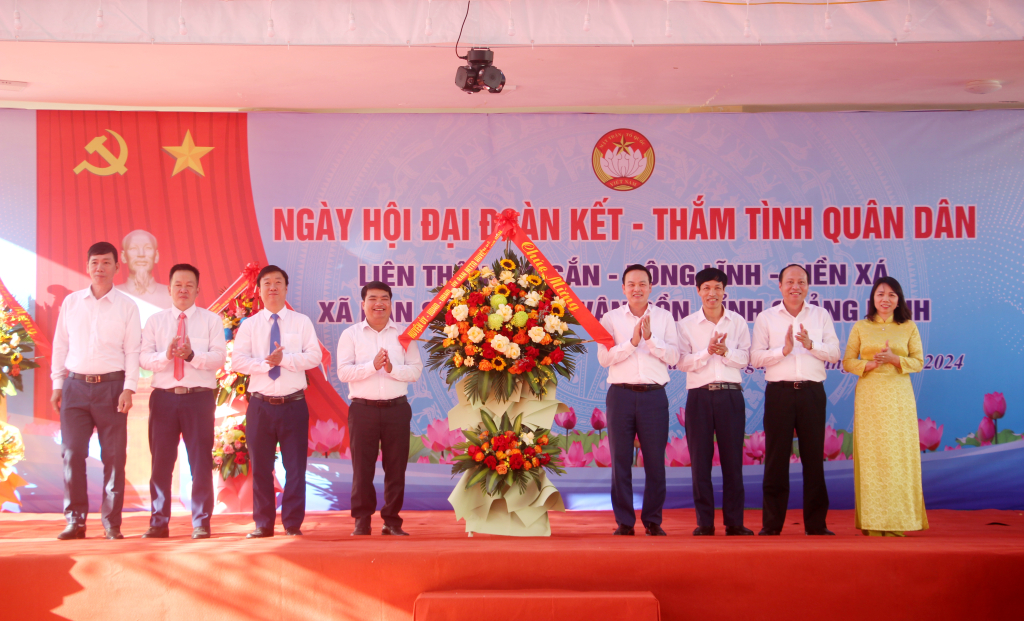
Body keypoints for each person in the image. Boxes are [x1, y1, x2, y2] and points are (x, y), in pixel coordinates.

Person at [50, 241, 142, 540]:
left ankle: (111, 523)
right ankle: (75, 520)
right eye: (94, 263)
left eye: (106, 263)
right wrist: (57, 383)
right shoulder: (72, 303)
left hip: (112, 389)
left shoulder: (127, 306)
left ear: (117, 266)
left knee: (114, 458)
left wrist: (129, 388)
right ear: (87, 266)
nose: (99, 268)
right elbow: (60, 345)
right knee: (72, 452)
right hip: (75, 387)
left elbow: (132, 351)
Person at [231, 266, 322, 538]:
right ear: (259, 290)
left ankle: (292, 524)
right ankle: (263, 524)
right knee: (261, 467)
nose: (272, 287)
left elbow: (314, 357)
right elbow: (238, 361)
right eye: (267, 283)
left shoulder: (301, 322)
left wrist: (286, 360)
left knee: (295, 468)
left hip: (293, 404)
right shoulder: (250, 325)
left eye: (278, 282)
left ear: (285, 287)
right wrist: (264, 364)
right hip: (260, 405)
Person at [751, 264, 840, 536]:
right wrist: (783, 351)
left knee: (814, 458)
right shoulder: (766, 318)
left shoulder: (821, 315)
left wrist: (812, 346)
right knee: (776, 458)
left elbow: (835, 354)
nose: (795, 287)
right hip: (779, 393)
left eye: (801, 282)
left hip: (812, 392)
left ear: (808, 286)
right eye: (789, 282)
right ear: (779, 286)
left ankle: (816, 524)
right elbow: (755, 358)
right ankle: (772, 524)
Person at [138, 264, 226, 539]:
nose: (184, 290)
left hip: (198, 399)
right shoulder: (155, 321)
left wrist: (191, 355)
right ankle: (158, 522)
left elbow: (218, 359)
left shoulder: (211, 320)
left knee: (200, 463)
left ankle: (201, 522)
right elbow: (143, 359)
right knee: (161, 463)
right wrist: (166, 356)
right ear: (169, 289)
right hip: (163, 399)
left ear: (198, 289)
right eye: (178, 284)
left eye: (189, 285)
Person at [597, 264, 680, 536]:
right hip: (620, 396)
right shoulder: (610, 319)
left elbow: (674, 357)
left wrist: (650, 339)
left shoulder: (665, 318)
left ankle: (653, 520)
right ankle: (624, 521)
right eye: (631, 284)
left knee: (655, 461)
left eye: (642, 284)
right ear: (623, 288)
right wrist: (632, 343)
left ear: (650, 287)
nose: (637, 289)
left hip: (654, 397)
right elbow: (604, 359)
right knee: (620, 460)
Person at [337, 281, 423, 536]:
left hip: (397, 409)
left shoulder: (404, 335)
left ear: (391, 303)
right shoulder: (350, 334)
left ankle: (391, 521)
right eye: (372, 298)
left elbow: (416, 370)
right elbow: (343, 372)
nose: (379, 304)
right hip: (362, 409)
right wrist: (372, 366)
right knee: (362, 469)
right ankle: (362, 521)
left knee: (396, 468)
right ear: (362, 304)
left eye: (384, 298)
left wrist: (391, 369)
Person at [843, 276, 927, 537]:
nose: (885, 299)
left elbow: (919, 362)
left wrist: (895, 359)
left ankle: (899, 521)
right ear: (873, 299)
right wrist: (865, 365)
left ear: (898, 299)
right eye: (880, 294)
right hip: (869, 396)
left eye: (892, 295)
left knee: (897, 456)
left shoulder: (908, 327)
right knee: (872, 456)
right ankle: (873, 521)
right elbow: (847, 361)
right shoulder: (861, 326)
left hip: (898, 397)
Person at [676, 268, 753, 536]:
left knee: (733, 461)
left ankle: (734, 522)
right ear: (698, 291)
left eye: (717, 288)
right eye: (707, 288)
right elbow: (681, 362)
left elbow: (745, 359)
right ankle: (704, 523)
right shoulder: (686, 325)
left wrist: (726, 351)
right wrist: (707, 352)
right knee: (700, 461)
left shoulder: (737, 322)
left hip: (730, 394)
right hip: (699, 396)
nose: (712, 293)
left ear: (725, 291)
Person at [116, 230, 172, 311]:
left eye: (148, 248)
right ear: (123, 256)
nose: (141, 254)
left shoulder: (171, 296)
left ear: (156, 256)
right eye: (133, 248)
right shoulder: (113, 294)